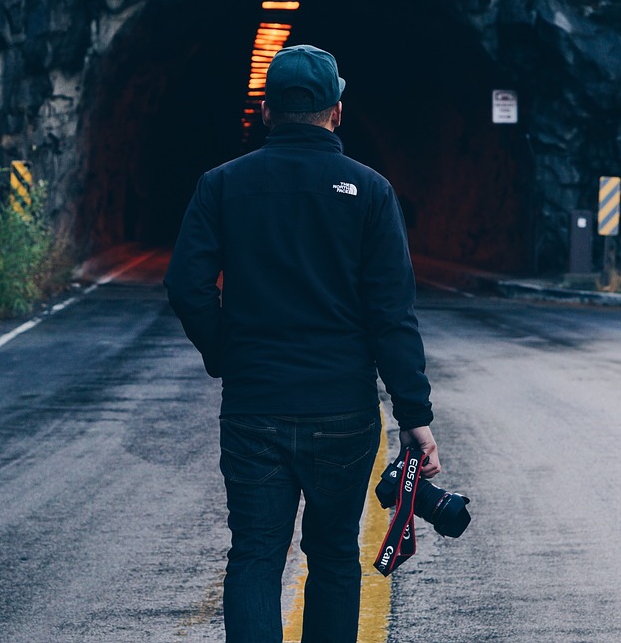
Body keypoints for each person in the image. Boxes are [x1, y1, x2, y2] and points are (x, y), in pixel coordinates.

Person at [164, 44, 441, 643]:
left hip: (253, 406)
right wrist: (414, 418)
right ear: (336, 111)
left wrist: (225, 352)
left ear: (267, 111)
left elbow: (186, 285)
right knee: (335, 557)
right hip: (342, 409)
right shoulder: (371, 192)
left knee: (256, 556)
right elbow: (392, 316)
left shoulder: (221, 185)